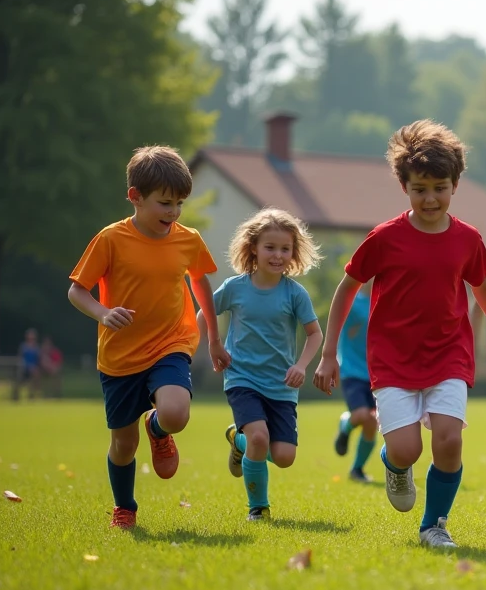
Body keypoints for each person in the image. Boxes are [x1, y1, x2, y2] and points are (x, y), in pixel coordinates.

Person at [312, 120, 486, 549]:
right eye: (420, 189)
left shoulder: (467, 239)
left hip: (449, 353)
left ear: (455, 185)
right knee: (407, 450)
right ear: (404, 186)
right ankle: (394, 463)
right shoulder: (385, 238)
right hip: (392, 358)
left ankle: (433, 526)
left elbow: (483, 288)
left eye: (440, 188)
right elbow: (347, 287)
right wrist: (329, 353)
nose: (430, 198)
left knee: (449, 440)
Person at [69, 146, 226, 529]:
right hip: (120, 357)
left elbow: (200, 282)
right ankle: (125, 506)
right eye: (165, 203)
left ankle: (158, 428)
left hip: (171, 344)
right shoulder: (110, 239)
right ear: (135, 197)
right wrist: (103, 313)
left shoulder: (187, 240)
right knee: (124, 445)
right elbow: (77, 291)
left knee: (175, 413)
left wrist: (213, 337)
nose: (173, 212)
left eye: (180, 204)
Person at [205, 208, 322, 521]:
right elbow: (205, 313)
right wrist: (213, 344)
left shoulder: (295, 294)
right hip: (242, 378)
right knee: (260, 438)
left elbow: (315, 334)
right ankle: (258, 508)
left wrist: (301, 366)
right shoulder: (235, 287)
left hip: (281, 386)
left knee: (284, 456)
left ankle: (238, 439)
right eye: (270, 247)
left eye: (285, 249)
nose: (278, 255)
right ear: (253, 247)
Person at [334, 280, 380, 482]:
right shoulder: (353, 303)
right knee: (362, 415)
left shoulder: (385, 303)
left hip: (377, 373)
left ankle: (357, 469)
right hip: (352, 371)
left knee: (372, 422)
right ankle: (346, 425)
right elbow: (336, 319)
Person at [16, 328, 42, 400]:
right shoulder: (23, 346)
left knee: (36, 374)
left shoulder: (36, 347)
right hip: (24, 367)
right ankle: (18, 395)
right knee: (21, 378)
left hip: (34, 368)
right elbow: (20, 358)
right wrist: (28, 366)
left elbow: (38, 359)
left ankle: (33, 394)